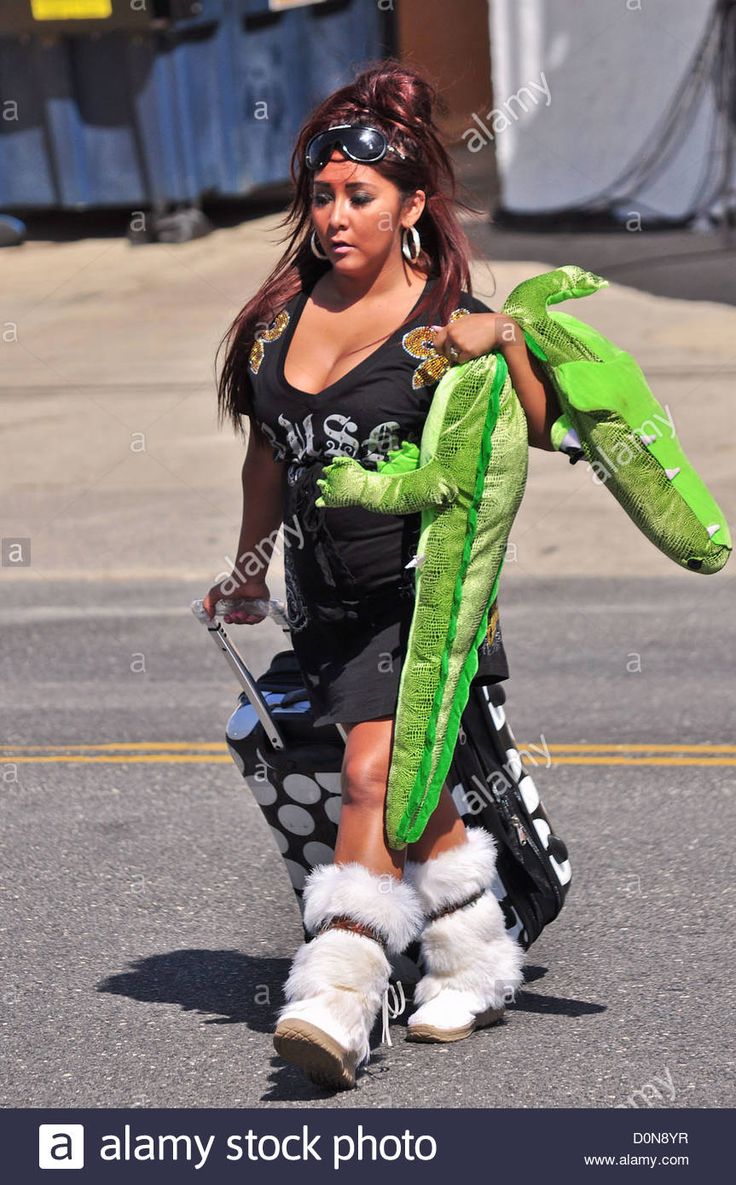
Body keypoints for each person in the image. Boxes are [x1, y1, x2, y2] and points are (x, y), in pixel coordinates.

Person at [203, 59, 560, 1091]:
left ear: (410, 205)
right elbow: (267, 454)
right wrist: (247, 566)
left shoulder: (446, 324)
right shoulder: (279, 322)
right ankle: (475, 956)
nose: (334, 216)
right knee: (412, 794)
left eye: (359, 197)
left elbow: (537, 428)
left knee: (370, 775)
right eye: (320, 196)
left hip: (423, 599)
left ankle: (340, 995)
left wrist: (509, 341)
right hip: (326, 604)